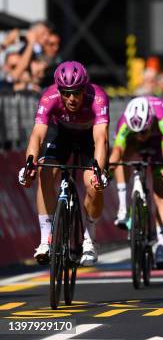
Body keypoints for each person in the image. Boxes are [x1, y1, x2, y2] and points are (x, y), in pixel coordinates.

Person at [18, 61, 109, 266]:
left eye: (76, 92)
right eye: (66, 93)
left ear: (84, 89)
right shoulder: (49, 97)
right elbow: (37, 135)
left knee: (93, 184)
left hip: (88, 137)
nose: (71, 98)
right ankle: (45, 240)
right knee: (44, 172)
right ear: (59, 90)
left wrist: (98, 171)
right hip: (61, 135)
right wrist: (29, 164)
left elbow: (101, 138)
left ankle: (89, 238)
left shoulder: (98, 97)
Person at [110, 96, 163, 269]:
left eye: (143, 131)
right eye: (137, 132)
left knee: (161, 190)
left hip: (157, 141)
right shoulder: (125, 122)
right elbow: (117, 150)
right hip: (131, 143)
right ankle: (124, 208)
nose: (141, 136)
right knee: (120, 160)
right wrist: (107, 171)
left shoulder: (162, 116)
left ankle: (161, 246)